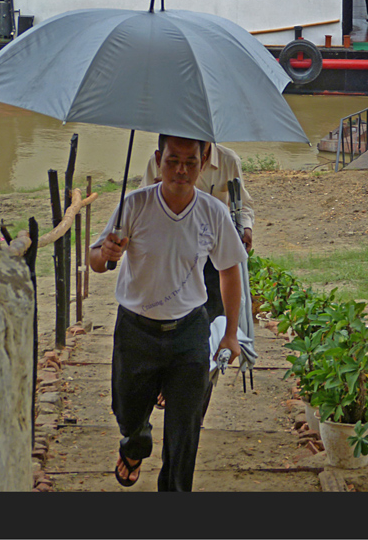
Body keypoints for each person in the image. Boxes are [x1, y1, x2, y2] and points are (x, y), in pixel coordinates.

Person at [90, 135, 248, 491]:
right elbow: (96, 260)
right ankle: (135, 442)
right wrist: (108, 254)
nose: (181, 170)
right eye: (172, 160)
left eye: (190, 162)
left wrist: (231, 333)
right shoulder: (134, 205)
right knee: (127, 412)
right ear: (158, 160)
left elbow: (229, 271)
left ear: (203, 162)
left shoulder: (213, 213)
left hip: (190, 331)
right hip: (136, 331)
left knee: (185, 429)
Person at [140, 142, 256, 416]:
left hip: (213, 261)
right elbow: (142, 203)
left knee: (206, 334)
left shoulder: (228, 160)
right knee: (167, 325)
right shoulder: (160, 160)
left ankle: (194, 411)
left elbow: (244, 204)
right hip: (170, 259)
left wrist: (246, 228)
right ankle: (165, 385)